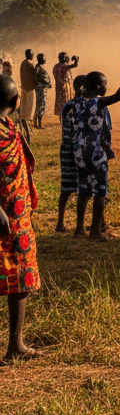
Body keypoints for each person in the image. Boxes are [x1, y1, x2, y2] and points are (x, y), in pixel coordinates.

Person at [71, 61, 120, 240]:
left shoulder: (78, 103)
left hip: (79, 152)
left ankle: (79, 230)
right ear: (97, 87)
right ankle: (95, 232)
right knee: (100, 191)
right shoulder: (97, 103)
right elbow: (118, 96)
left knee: (84, 191)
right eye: (104, 85)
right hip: (96, 153)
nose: (106, 88)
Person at [0, 74, 41, 360]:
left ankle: (16, 345)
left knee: (21, 278)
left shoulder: (9, 127)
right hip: (5, 215)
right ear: (16, 101)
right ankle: (15, 345)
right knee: (18, 277)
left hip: (17, 218)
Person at [56, 74, 87, 233]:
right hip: (80, 150)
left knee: (66, 187)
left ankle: (60, 223)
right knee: (88, 186)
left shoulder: (67, 106)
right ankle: (97, 223)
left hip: (66, 149)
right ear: (83, 88)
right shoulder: (86, 106)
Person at [32, 53, 52, 130]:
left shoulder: (40, 67)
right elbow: (36, 78)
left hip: (43, 88)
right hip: (40, 89)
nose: (44, 59)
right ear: (40, 59)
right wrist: (45, 83)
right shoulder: (38, 68)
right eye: (43, 58)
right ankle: (38, 124)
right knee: (41, 105)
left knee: (41, 105)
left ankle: (37, 123)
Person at [18, 50, 35, 126]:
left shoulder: (23, 63)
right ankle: (28, 119)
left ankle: (23, 117)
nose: (32, 56)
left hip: (24, 86)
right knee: (29, 103)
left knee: (24, 103)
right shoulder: (30, 64)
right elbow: (34, 75)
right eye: (32, 54)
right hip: (30, 87)